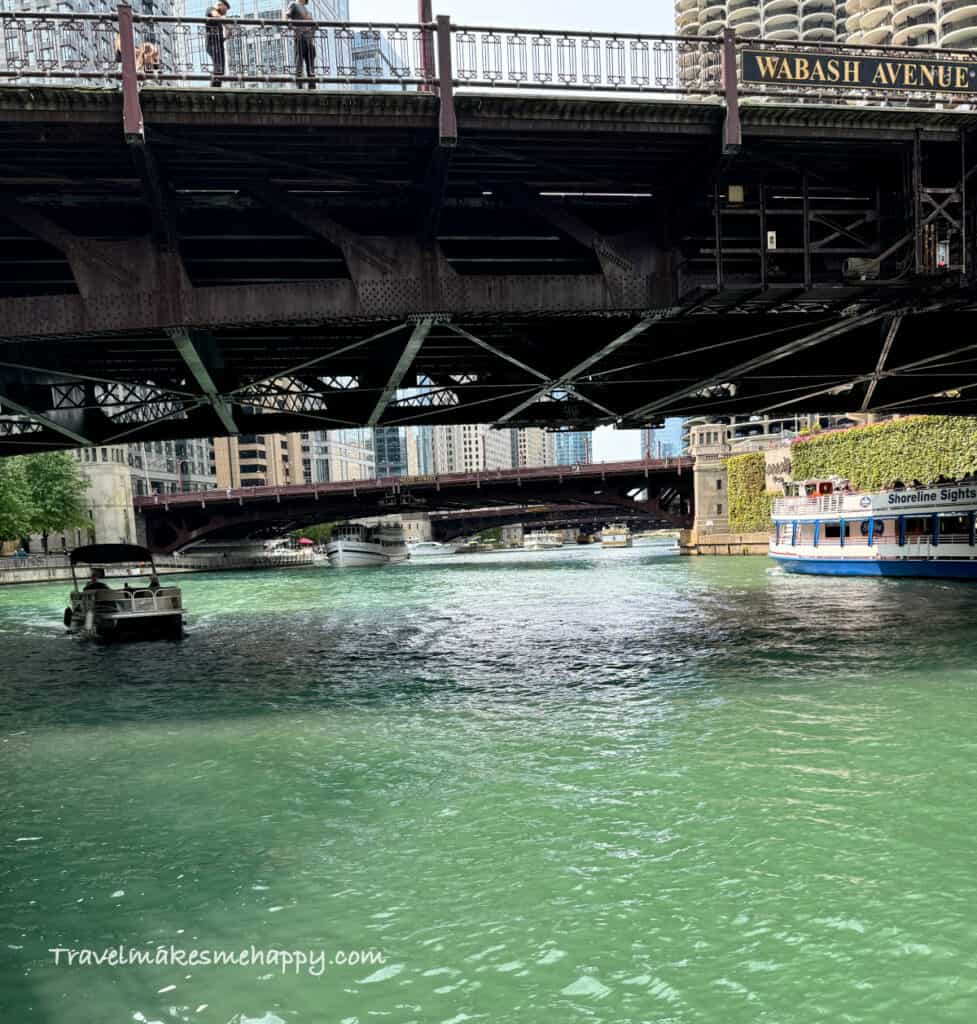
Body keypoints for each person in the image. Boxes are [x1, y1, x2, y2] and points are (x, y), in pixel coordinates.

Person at [287, 0, 316, 90]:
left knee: (310, 63)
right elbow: (287, 16)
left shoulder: (307, 11)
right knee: (299, 61)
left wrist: (312, 30)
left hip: (309, 40)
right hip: (300, 37)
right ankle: (299, 85)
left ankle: (312, 84)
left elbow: (313, 25)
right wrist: (291, 26)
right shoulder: (294, 5)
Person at [205, 0, 229, 87]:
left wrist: (226, 37)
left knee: (221, 70)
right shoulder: (210, 9)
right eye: (225, 10)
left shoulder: (220, 18)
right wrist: (227, 26)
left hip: (218, 45)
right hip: (212, 44)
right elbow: (215, 15)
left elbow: (222, 34)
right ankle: (213, 90)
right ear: (220, 5)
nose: (225, 13)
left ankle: (217, 89)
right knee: (218, 68)